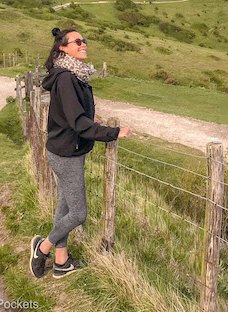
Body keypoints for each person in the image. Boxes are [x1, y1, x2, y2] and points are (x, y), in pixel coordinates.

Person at [29, 27, 132, 279]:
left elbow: (73, 113)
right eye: (77, 41)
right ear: (63, 47)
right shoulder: (66, 78)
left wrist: (89, 117)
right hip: (67, 154)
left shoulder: (73, 75)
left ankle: (62, 262)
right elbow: (78, 123)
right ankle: (43, 248)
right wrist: (113, 132)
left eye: (84, 40)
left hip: (66, 149)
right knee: (78, 213)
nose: (83, 43)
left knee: (64, 207)